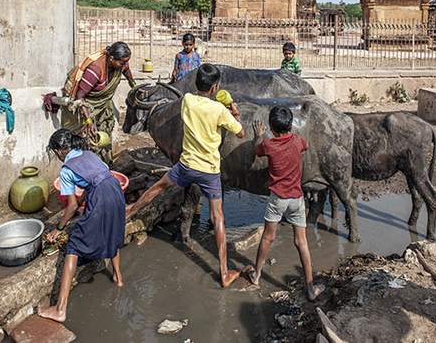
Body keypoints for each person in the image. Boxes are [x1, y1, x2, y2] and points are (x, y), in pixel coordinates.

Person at [126, 63, 246, 288]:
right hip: (210, 170)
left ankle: (129, 213)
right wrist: (234, 111)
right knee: (217, 217)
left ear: (197, 84)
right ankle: (224, 273)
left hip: (186, 165)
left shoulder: (188, 101)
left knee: (157, 188)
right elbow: (241, 133)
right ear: (216, 87)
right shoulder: (220, 111)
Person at [39, 128, 125, 324]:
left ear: (60, 150)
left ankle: (60, 309)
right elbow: (97, 180)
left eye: (55, 152)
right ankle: (118, 279)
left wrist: (58, 228)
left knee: (74, 245)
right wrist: (83, 203)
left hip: (102, 198)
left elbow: (70, 206)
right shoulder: (89, 154)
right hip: (116, 192)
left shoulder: (67, 169)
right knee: (113, 233)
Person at [245, 105, 324, 301]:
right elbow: (305, 146)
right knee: (301, 242)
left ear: (271, 127)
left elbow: (257, 150)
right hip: (297, 199)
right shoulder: (298, 141)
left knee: (267, 238)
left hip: (277, 199)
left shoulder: (269, 145)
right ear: (290, 125)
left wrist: (258, 135)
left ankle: (256, 274)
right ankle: (311, 287)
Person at [62, 41, 135, 165]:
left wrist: (133, 85)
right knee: (89, 136)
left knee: (104, 134)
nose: (124, 64)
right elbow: (80, 98)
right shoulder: (95, 70)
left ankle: (105, 163)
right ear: (111, 58)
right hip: (87, 105)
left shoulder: (120, 64)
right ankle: (88, 166)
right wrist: (88, 120)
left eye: (125, 61)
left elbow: (126, 70)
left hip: (103, 105)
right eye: (122, 62)